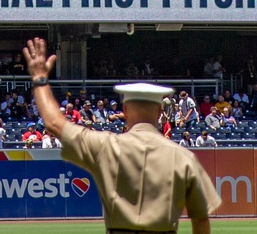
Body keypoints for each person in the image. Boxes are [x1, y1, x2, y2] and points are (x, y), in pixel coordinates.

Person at [19, 36, 218, 234]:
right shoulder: (183, 157)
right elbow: (201, 220)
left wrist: (40, 79)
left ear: (125, 110)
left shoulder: (106, 145)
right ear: (159, 112)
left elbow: (54, 123)